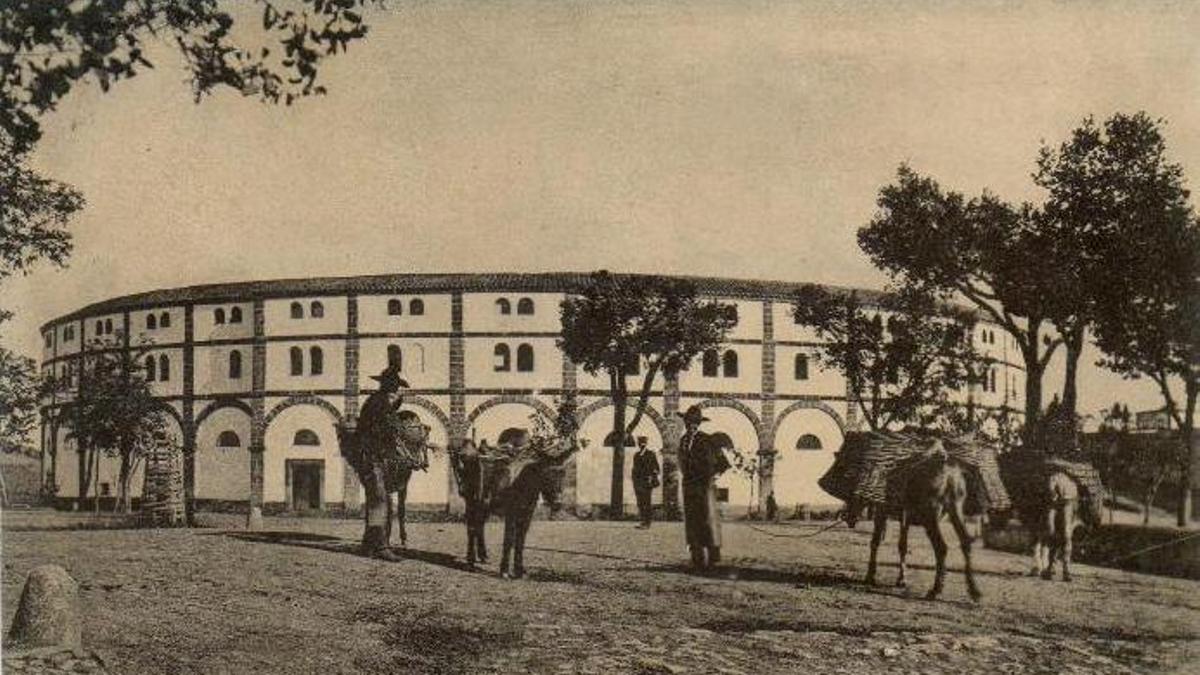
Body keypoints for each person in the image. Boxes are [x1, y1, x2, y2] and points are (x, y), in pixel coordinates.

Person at [355, 364, 409, 560]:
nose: (396, 388)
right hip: (371, 457)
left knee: (377, 499)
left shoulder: (379, 401)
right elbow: (385, 427)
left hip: (374, 456)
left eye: (397, 384)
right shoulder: (379, 402)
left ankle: (368, 545)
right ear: (386, 384)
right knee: (380, 500)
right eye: (393, 384)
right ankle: (381, 547)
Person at [677, 405, 730, 572]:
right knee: (692, 522)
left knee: (708, 520)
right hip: (689, 486)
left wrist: (715, 476)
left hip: (705, 486)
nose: (691, 425)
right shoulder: (683, 441)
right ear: (685, 422)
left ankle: (713, 556)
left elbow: (724, 463)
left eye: (694, 423)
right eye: (689, 422)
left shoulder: (707, 440)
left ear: (699, 424)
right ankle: (697, 557)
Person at [631, 436, 660, 529]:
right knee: (640, 502)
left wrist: (652, 476)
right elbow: (635, 469)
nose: (641, 445)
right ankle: (642, 521)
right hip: (638, 482)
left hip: (647, 482)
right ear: (638, 444)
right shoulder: (636, 455)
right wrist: (634, 480)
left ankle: (647, 523)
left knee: (647, 502)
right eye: (640, 443)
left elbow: (657, 468)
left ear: (646, 444)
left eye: (643, 443)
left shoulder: (651, 454)